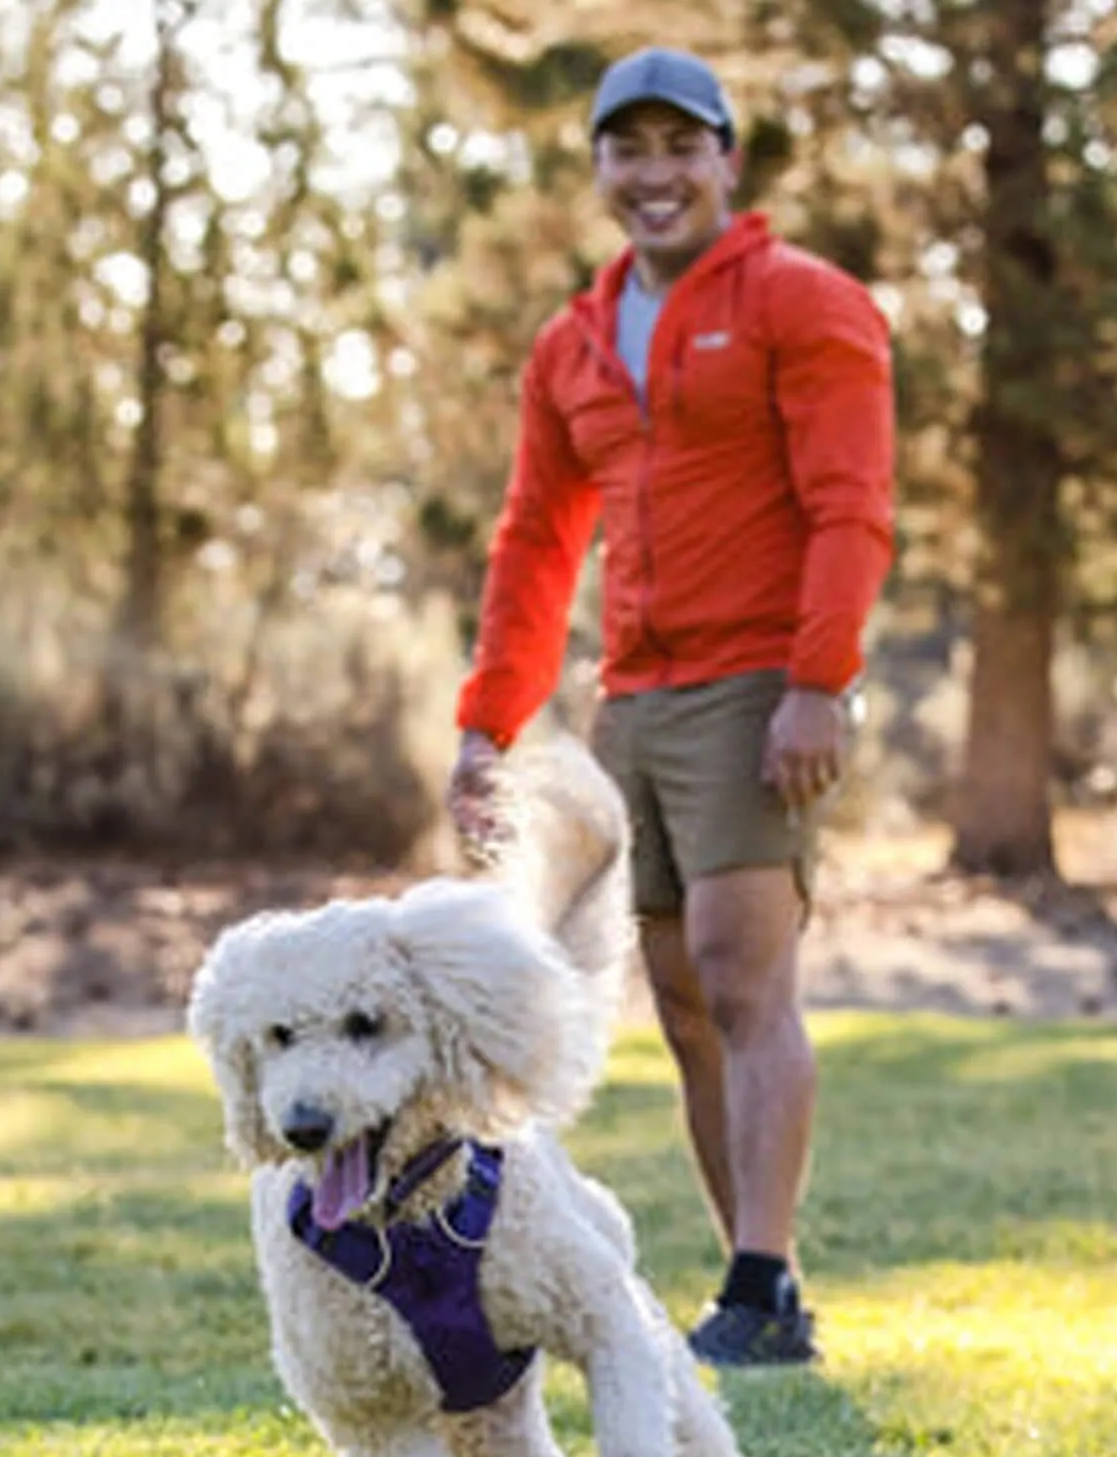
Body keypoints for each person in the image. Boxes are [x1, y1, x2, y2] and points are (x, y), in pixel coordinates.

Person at [446, 46, 896, 1368]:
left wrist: (819, 680)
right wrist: (489, 721)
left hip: (759, 684)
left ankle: (759, 1279)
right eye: (626, 151)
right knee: (683, 995)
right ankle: (767, 1284)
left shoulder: (801, 304)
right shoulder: (573, 344)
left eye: (678, 147)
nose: (653, 175)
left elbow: (850, 505)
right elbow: (536, 541)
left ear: (725, 161)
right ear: (597, 170)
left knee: (749, 973)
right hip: (630, 702)